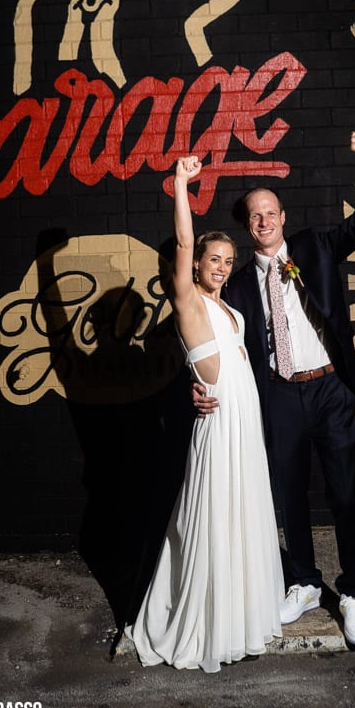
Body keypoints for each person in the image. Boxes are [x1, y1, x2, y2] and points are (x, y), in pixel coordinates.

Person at [193, 128, 355, 647]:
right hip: (278, 394)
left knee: (345, 493)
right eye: (255, 215)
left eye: (271, 212)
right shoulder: (234, 282)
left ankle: (350, 593)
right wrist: (197, 384)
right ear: (246, 225)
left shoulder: (316, 247)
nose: (264, 220)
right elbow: (210, 335)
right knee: (290, 495)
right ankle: (302, 581)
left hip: (329, 390)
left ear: (283, 218)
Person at [126, 156, 285, 672]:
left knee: (243, 514)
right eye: (210, 258)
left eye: (225, 261)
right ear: (194, 265)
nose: (217, 266)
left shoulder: (232, 310)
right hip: (217, 426)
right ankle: (205, 623)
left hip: (244, 420)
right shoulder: (188, 300)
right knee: (211, 518)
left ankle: (239, 619)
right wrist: (179, 185)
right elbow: (183, 241)